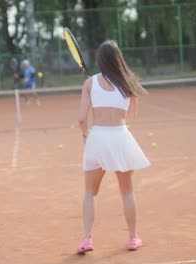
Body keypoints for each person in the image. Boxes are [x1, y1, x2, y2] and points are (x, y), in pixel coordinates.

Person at [77, 40, 150, 253]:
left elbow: (81, 119)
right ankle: (133, 238)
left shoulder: (89, 83)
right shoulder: (129, 84)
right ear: (119, 59)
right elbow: (131, 116)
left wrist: (85, 136)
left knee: (90, 193)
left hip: (97, 138)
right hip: (120, 136)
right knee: (127, 192)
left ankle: (86, 239)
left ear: (100, 60)